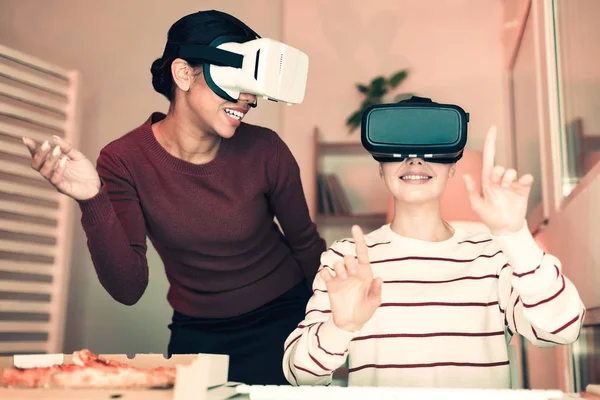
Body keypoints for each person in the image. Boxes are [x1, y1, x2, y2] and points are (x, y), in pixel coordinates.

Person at [22, 9, 325, 385]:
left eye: (254, 85)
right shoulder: (123, 160)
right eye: (238, 80)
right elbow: (128, 288)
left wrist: (326, 332)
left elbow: (306, 243)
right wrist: (92, 199)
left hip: (285, 321)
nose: (248, 98)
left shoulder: (266, 149)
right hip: (197, 334)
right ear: (183, 74)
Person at [283, 126, 585, 388]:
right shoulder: (347, 257)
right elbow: (300, 375)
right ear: (380, 166)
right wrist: (341, 326)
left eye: (432, 148)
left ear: (453, 166)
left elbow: (563, 329)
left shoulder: (494, 254)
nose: (415, 158)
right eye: (399, 148)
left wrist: (514, 234)